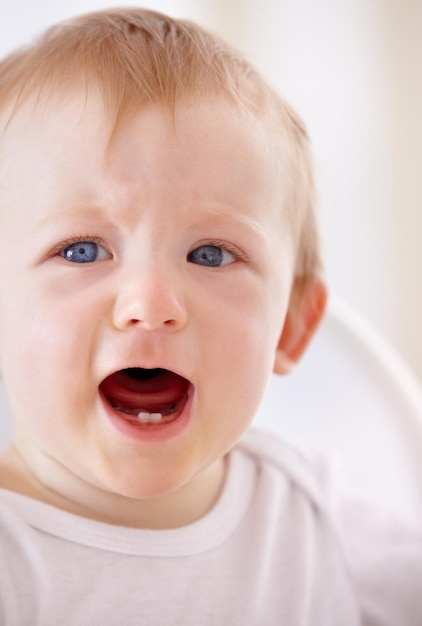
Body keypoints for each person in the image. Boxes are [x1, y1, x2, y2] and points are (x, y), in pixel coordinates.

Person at [0, 7, 420, 625]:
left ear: (291, 326)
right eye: (82, 250)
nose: (151, 305)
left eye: (211, 254)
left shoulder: (319, 521)